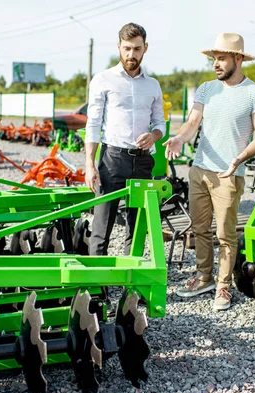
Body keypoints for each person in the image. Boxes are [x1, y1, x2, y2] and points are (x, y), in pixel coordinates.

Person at [164, 33, 255, 311]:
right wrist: (179, 138)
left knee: (225, 234)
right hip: (200, 170)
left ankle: (223, 286)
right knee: (199, 229)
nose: (215, 64)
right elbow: (192, 123)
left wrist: (240, 158)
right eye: (214, 59)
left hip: (228, 174)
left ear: (238, 58)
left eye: (221, 58)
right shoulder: (206, 89)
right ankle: (204, 278)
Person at [85, 22, 166, 256]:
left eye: (137, 49)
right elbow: (93, 124)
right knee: (102, 226)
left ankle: (133, 286)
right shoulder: (103, 80)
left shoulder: (153, 85)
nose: (132, 54)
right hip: (112, 160)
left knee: (137, 227)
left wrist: (153, 136)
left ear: (145, 48)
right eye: (127, 48)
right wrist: (90, 164)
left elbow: (160, 124)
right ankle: (96, 288)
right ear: (119, 47)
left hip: (142, 163)